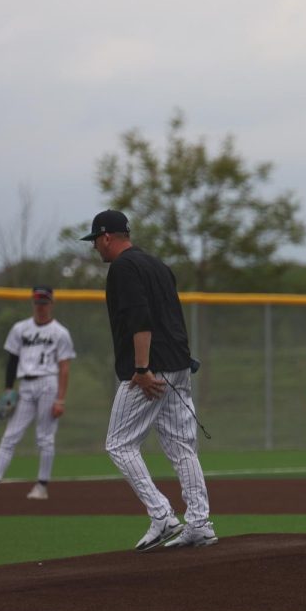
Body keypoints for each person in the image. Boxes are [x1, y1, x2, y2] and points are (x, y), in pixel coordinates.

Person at [82, 209, 216, 552]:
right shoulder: (157, 265)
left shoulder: (123, 268)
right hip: (178, 365)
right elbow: (172, 315)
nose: (95, 247)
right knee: (182, 448)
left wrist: (141, 370)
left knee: (119, 444)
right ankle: (199, 523)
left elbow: (141, 320)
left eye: (96, 240)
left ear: (107, 236)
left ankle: (162, 515)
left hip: (151, 371)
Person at [0, 286, 75, 501]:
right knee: (10, 436)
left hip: (48, 384)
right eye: (37, 301)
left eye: (44, 302)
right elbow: (12, 360)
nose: (40, 306)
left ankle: (42, 486)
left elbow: (64, 367)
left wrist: (61, 398)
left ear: (51, 304)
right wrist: (8, 387)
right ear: (32, 303)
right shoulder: (20, 329)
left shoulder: (60, 333)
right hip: (25, 385)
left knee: (44, 437)